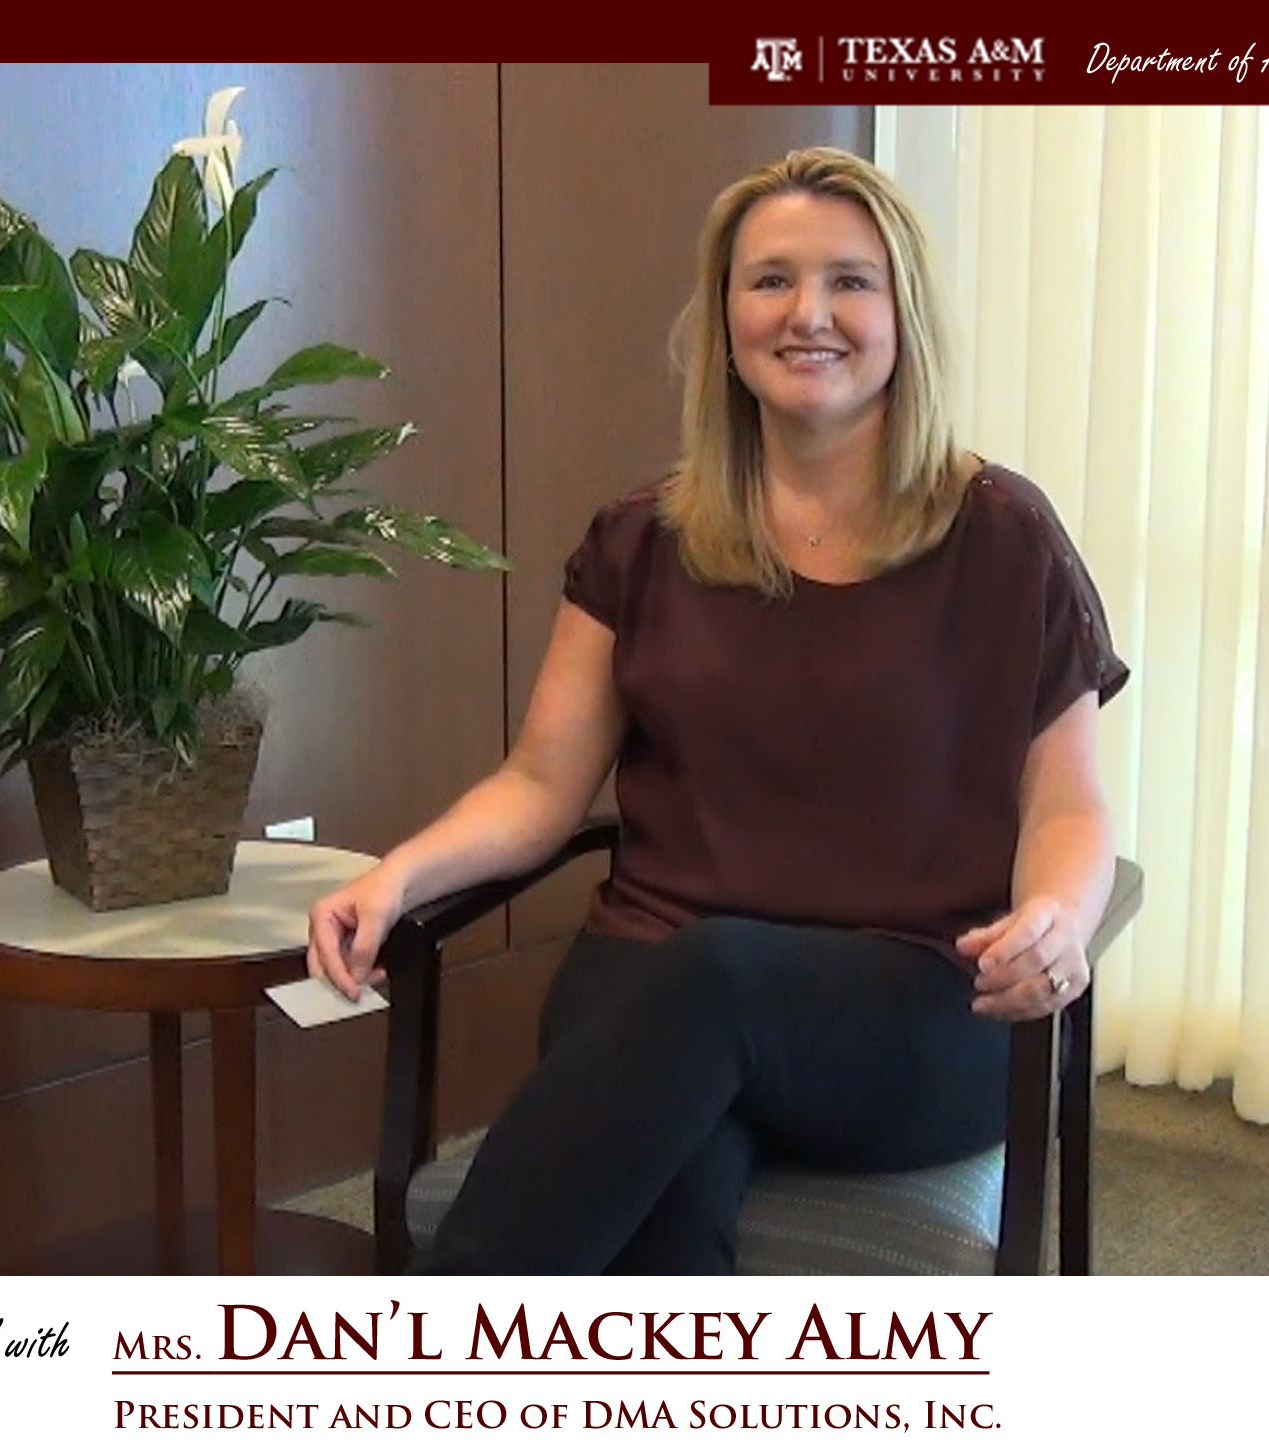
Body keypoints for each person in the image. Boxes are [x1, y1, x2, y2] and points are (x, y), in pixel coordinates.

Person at [305, 145, 1129, 1275]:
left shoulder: (1002, 536)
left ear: (903, 315)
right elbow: (542, 786)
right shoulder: (643, 537)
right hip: (654, 988)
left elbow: (1069, 805)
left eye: (851, 280)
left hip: (912, 1010)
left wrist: (1059, 917)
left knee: (710, 984)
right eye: (771, 279)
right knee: (667, 1191)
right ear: (726, 315)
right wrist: (399, 875)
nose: (810, 313)